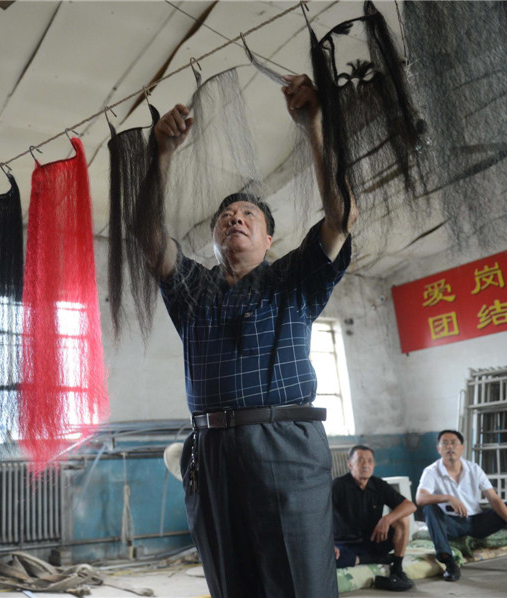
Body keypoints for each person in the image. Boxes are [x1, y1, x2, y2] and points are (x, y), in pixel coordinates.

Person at [144, 74, 356, 597]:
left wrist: (315, 126)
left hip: (285, 443)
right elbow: (149, 237)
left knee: (299, 581)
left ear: (268, 237)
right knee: (229, 582)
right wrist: (161, 155)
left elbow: (341, 216)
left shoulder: (293, 279)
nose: (234, 219)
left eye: (248, 215)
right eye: (224, 217)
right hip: (210, 450)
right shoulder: (193, 289)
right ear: (214, 238)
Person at [416, 429, 507, 581]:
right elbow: (420, 498)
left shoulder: (474, 469)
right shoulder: (431, 471)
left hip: (476, 522)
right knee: (429, 508)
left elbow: (494, 499)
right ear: (438, 449)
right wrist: (447, 498)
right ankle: (449, 562)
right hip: (450, 524)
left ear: (462, 448)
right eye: (444, 443)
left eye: (454, 443)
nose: (449, 447)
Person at [333, 445, 416, 591]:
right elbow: (320, 517)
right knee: (324, 559)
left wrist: (387, 519)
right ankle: (377, 560)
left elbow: (410, 506)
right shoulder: (338, 486)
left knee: (403, 520)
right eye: (360, 460)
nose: (366, 465)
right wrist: (329, 544)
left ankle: (397, 568)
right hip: (345, 545)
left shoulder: (378, 485)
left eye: (370, 461)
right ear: (350, 464)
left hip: (373, 540)